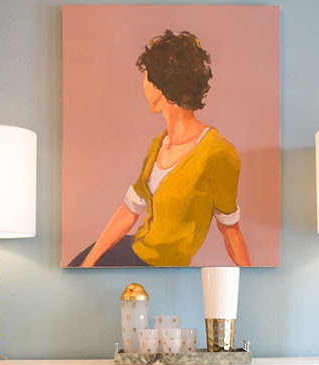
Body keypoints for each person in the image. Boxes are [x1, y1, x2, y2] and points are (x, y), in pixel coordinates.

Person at [77, 30, 251, 267]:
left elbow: (231, 231)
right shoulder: (159, 144)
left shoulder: (218, 153)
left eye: (147, 77)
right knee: (75, 270)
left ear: (163, 86)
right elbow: (130, 211)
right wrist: (89, 262)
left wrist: (252, 279)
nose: (144, 84)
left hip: (155, 268)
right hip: (130, 252)